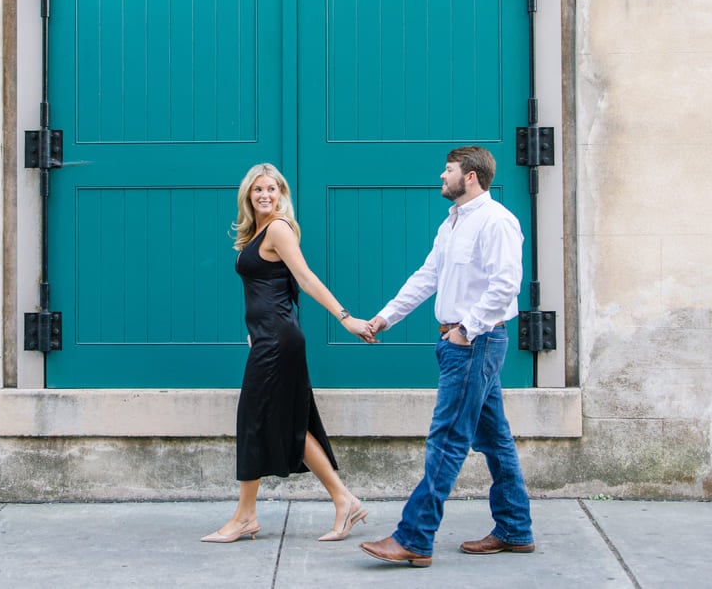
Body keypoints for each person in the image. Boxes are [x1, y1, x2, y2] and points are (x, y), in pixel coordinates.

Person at [358, 146, 534, 568]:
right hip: (463, 343)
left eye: (449, 170)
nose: (442, 175)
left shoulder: (497, 221)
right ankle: (515, 528)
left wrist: (465, 330)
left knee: (448, 438)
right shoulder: (453, 223)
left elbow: (506, 285)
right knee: (493, 439)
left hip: (475, 342)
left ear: (470, 177)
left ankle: (414, 538)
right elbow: (427, 277)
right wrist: (385, 317)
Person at [201, 162, 375, 544]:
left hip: (279, 341)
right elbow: (264, 289)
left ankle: (246, 516)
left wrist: (344, 318)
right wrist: (254, 332)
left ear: (282, 194)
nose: (265, 195)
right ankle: (344, 500)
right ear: (248, 195)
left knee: (253, 421)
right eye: (257, 189)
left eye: (272, 189)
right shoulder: (257, 231)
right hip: (269, 338)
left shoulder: (278, 228)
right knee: (290, 424)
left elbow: (306, 278)